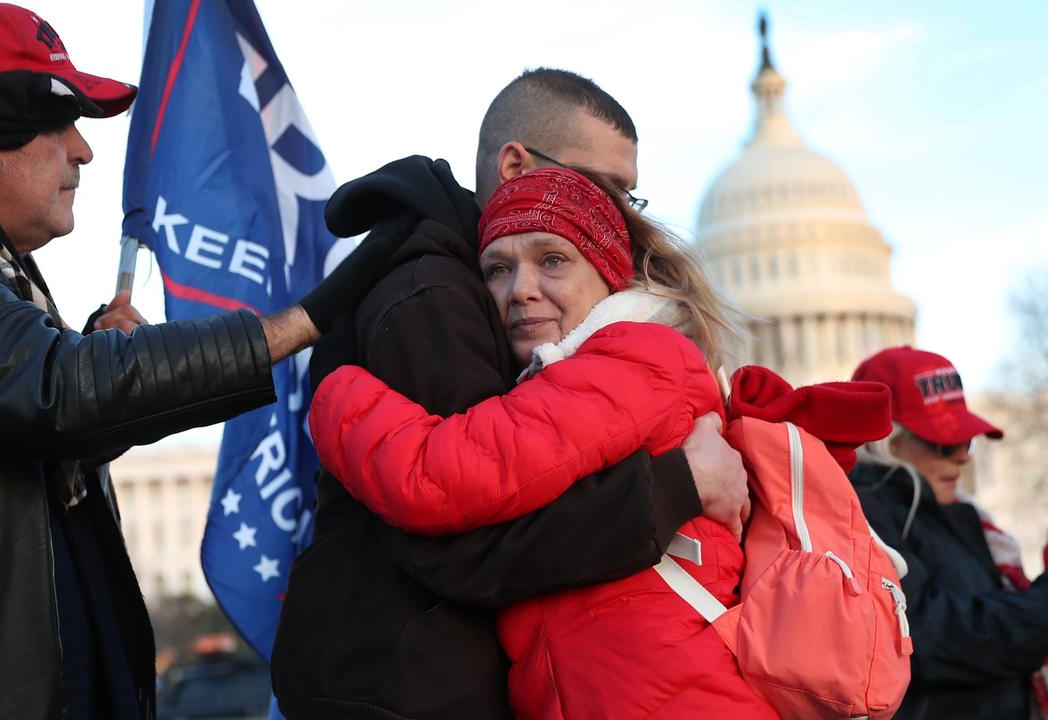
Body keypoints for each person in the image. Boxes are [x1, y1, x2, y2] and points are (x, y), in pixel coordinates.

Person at [0, 3, 397, 718]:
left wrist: (100, 355)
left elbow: (43, 409)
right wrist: (305, 319)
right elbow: (53, 394)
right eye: (61, 123)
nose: (85, 150)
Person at [271, 69, 750, 719]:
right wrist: (680, 484)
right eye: (607, 188)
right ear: (516, 165)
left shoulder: (606, 350)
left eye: (628, 199)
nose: (622, 213)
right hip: (404, 690)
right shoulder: (438, 293)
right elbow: (463, 534)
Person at [849, 347, 1048, 720]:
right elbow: (926, 638)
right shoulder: (863, 514)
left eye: (966, 440)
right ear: (885, 442)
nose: (963, 457)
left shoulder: (959, 513)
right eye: (945, 443)